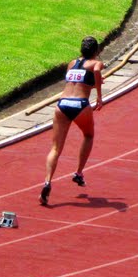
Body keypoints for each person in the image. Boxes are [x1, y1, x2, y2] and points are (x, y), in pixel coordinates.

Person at [40, 35, 105, 206]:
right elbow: (96, 71)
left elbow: (77, 82)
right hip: (80, 105)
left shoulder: (71, 63)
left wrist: (92, 84)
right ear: (96, 51)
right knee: (89, 135)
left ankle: (47, 181)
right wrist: (99, 95)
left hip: (62, 104)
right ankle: (78, 172)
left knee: (55, 147)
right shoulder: (96, 63)